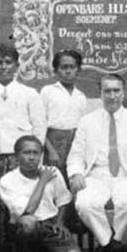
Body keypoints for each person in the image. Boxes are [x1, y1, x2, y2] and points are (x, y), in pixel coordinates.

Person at [67, 73, 127, 252]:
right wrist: (75, 174)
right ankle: (112, 245)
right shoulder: (87, 121)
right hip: (96, 175)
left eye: (116, 90)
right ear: (100, 93)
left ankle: (108, 245)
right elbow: (75, 155)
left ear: (124, 93)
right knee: (85, 203)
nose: (112, 96)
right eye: (107, 91)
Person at [0, 43, 46, 252]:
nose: (4, 67)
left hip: (22, 161)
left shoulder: (29, 94)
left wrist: (36, 159)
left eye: (9, 62)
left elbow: (39, 129)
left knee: (23, 207)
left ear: (17, 65)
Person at [0, 136, 84, 252]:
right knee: (28, 223)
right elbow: (28, 211)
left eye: (36, 153)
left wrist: (60, 222)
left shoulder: (53, 172)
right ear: (16, 157)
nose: (32, 157)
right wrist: (42, 181)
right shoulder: (8, 180)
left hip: (50, 224)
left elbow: (63, 199)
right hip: (25, 228)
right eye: (27, 153)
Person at [40, 49, 87, 179]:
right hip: (53, 143)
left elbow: (82, 128)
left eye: (72, 67)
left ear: (78, 70)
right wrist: (51, 150)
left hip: (75, 143)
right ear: (55, 71)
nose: (68, 71)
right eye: (63, 67)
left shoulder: (81, 96)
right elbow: (40, 124)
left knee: (73, 177)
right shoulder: (48, 91)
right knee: (54, 180)